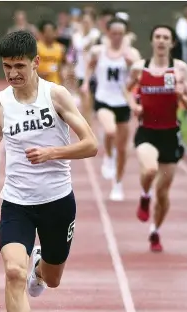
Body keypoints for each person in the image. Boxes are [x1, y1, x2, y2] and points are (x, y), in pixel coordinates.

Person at [0, 30, 98, 312]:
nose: (12, 73)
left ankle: (39, 267)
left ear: (35, 62)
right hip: (16, 202)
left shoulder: (56, 95)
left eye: (19, 66)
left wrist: (52, 153)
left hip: (57, 202)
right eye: (7, 66)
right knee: (13, 272)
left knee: (52, 279)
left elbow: (91, 144)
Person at [124, 25, 187, 252]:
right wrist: (135, 105)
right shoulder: (139, 68)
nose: (161, 41)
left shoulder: (179, 69)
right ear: (152, 41)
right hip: (147, 132)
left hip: (170, 134)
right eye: (158, 37)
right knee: (150, 170)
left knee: (163, 194)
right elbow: (127, 90)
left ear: (171, 43)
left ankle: (155, 230)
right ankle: (144, 195)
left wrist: (181, 95)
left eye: (166, 38)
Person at [82, 17, 141, 201]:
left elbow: (139, 75)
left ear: (125, 35)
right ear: (108, 33)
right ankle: (107, 156)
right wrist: (85, 83)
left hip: (122, 102)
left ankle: (118, 183)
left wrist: (133, 65)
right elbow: (89, 66)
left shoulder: (132, 53)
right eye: (114, 33)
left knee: (122, 150)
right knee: (109, 130)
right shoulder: (99, 51)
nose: (117, 37)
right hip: (103, 100)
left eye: (120, 34)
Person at [72, 11, 101, 124]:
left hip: (95, 74)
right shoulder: (77, 36)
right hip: (81, 73)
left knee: (93, 104)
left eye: (88, 22)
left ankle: (92, 127)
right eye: (84, 22)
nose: (86, 24)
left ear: (93, 22)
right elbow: (80, 46)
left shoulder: (96, 34)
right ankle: (88, 130)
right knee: (86, 104)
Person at [36, 20, 66, 85]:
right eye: (47, 31)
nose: (50, 33)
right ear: (42, 33)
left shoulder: (60, 48)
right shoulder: (36, 47)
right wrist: (39, 74)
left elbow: (62, 67)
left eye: (52, 31)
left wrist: (63, 83)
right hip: (40, 83)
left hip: (55, 83)